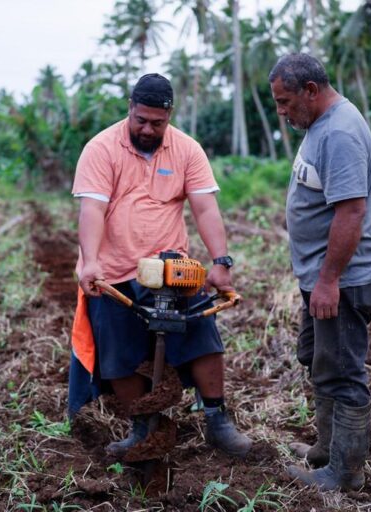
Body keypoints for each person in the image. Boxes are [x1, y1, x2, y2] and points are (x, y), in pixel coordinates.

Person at [69, 73, 252, 458]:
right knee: (118, 352)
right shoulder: (101, 148)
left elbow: (205, 207)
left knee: (203, 337)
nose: (148, 129)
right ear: (130, 110)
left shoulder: (187, 149)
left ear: (169, 115)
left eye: (158, 122)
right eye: (141, 120)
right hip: (114, 272)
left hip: (173, 268)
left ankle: (218, 422)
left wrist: (221, 262)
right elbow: (93, 210)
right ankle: (143, 428)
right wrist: (91, 262)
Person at [268, 54, 371, 491]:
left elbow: (352, 211)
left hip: (344, 281)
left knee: (342, 371)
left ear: (311, 91)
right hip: (324, 278)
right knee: (318, 360)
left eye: (285, 101)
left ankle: (345, 472)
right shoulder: (320, 124)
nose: (281, 111)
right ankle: (326, 449)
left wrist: (329, 280)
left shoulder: (338, 132)